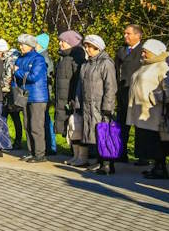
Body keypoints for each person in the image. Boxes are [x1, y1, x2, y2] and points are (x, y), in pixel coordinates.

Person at [76, 35, 118, 174]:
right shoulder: (86, 64)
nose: (86, 49)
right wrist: (78, 102)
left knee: (104, 133)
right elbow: (80, 86)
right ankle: (100, 162)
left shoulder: (106, 63)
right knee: (93, 133)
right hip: (88, 105)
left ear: (97, 47)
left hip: (100, 105)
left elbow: (110, 86)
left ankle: (107, 164)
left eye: (89, 46)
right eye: (86, 46)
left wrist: (108, 106)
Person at [128, 39, 169, 178]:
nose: (143, 54)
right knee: (147, 140)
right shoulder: (146, 65)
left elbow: (167, 89)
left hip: (154, 112)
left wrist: (155, 97)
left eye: (145, 51)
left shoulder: (162, 66)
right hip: (141, 110)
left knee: (156, 141)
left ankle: (160, 168)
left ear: (154, 51)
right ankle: (156, 167)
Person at [13, 34, 50, 162]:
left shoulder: (38, 59)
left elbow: (34, 76)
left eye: (23, 44)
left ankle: (40, 154)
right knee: (27, 125)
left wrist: (17, 71)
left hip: (37, 97)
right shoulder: (20, 59)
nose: (21, 47)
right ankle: (31, 151)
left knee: (36, 126)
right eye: (20, 44)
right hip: (24, 95)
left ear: (30, 46)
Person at [115, 25, 143, 163]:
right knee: (122, 124)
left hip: (137, 94)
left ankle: (143, 156)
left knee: (140, 127)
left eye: (128, 33)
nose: (125, 36)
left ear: (138, 35)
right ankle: (121, 152)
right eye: (124, 33)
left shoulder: (143, 51)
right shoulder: (121, 50)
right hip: (122, 93)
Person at [55, 31, 86, 159]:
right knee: (70, 127)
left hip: (71, 98)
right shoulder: (64, 57)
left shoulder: (76, 57)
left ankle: (80, 156)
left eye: (63, 41)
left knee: (76, 126)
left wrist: (74, 98)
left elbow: (77, 80)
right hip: (64, 97)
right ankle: (74, 154)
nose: (60, 43)